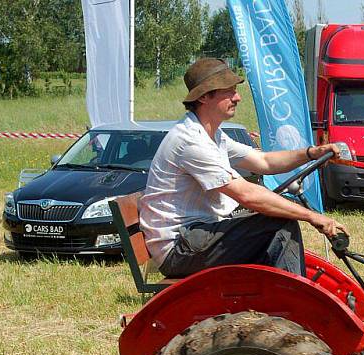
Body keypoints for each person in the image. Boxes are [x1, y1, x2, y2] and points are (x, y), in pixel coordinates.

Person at [139, 58, 347, 278]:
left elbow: (264, 162)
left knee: (277, 223)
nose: (237, 97)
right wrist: (312, 216)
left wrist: (311, 153)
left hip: (194, 239)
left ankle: (281, 297)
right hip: (179, 250)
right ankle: (290, 304)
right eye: (228, 92)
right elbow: (246, 195)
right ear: (203, 97)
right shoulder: (190, 141)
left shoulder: (212, 135)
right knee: (279, 224)